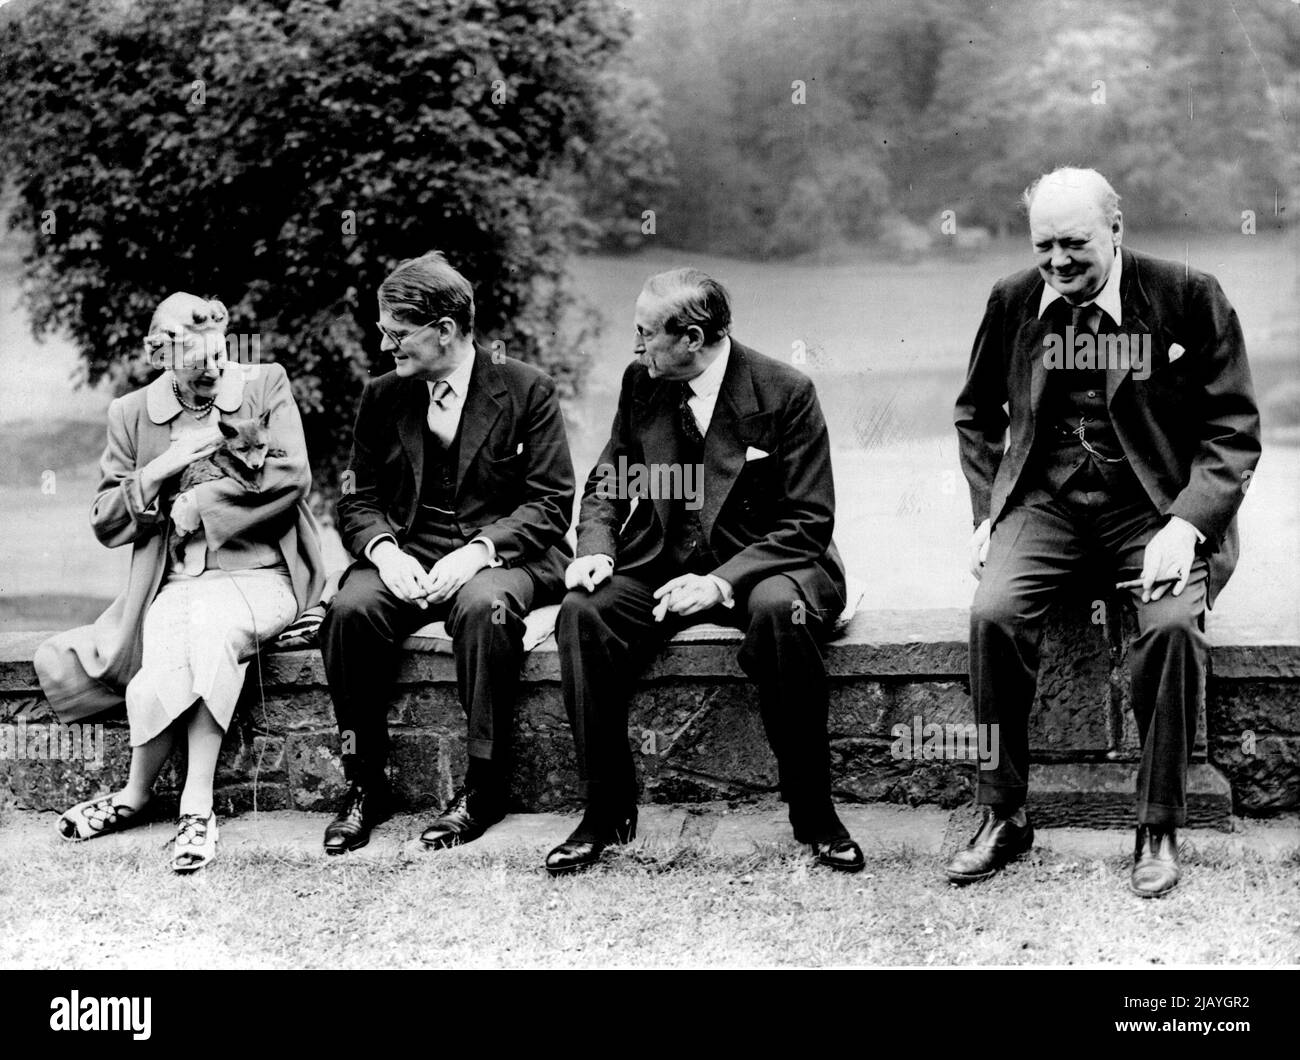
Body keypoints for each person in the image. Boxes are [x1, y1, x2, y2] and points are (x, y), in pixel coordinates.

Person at [952, 167, 1261, 897]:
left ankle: (1157, 824)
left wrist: (1187, 526)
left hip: (1153, 506)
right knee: (992, 614)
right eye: (1044, 246)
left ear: (1116, 231)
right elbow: (975, 415)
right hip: (1045, 504)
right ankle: (1003, 812)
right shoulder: (1013, 300)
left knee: (1172, 627)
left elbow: (1234, 429)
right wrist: (990, 510)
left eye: (1075, 244)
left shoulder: (1188, 296)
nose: (1058, 262)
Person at [544, 267, 864, 875]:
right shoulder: (642, 383)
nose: (635, 348)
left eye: (645, 333)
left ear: (691, 336)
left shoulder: (784, 390)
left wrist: (720, 583)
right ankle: (604, 812)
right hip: (663, 560)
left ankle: (815, 813)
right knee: (584, 613)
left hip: (770, 561)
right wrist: (594, 547)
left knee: (779, 614)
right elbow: (609, 480)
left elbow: (808, 519)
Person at [35, 292, 325, 872]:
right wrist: (164, 468)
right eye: (198, 366)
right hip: (178, 581)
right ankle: (136, 796)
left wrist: (200, 503)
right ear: (159, 355)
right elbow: (106, 521)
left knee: (211, 628)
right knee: (169, 634)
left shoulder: (265, 383)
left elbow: (292, 475)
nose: (214, 373)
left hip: (262, 574)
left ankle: (196, 806)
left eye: (219, 357)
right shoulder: (131, 413)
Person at [320, 251, 574, 854]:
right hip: (410, 548)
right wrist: (384, 553)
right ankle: (364, 787)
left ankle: (483, 787)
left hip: (507, 555)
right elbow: (355, 498)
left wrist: (480, 551)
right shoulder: (383, 396)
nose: (385, 345)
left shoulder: (525, 388)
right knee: (349, 612)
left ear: (446, 329)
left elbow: (550, 503)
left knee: (485, 609)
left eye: (397, 332)